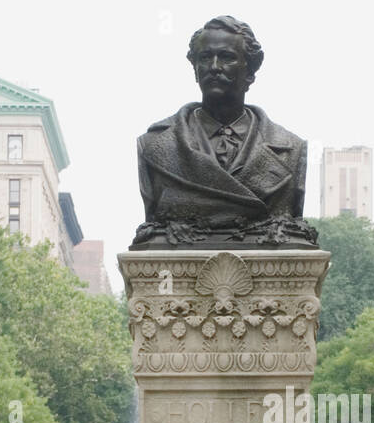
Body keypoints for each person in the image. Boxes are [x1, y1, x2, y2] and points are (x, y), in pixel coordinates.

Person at [132, 16, 310, 250]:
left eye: (227, 57)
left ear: (250, 71)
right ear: (195, 69)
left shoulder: (291, 150)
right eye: (205, 57)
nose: (214, 66)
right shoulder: (155, 145)